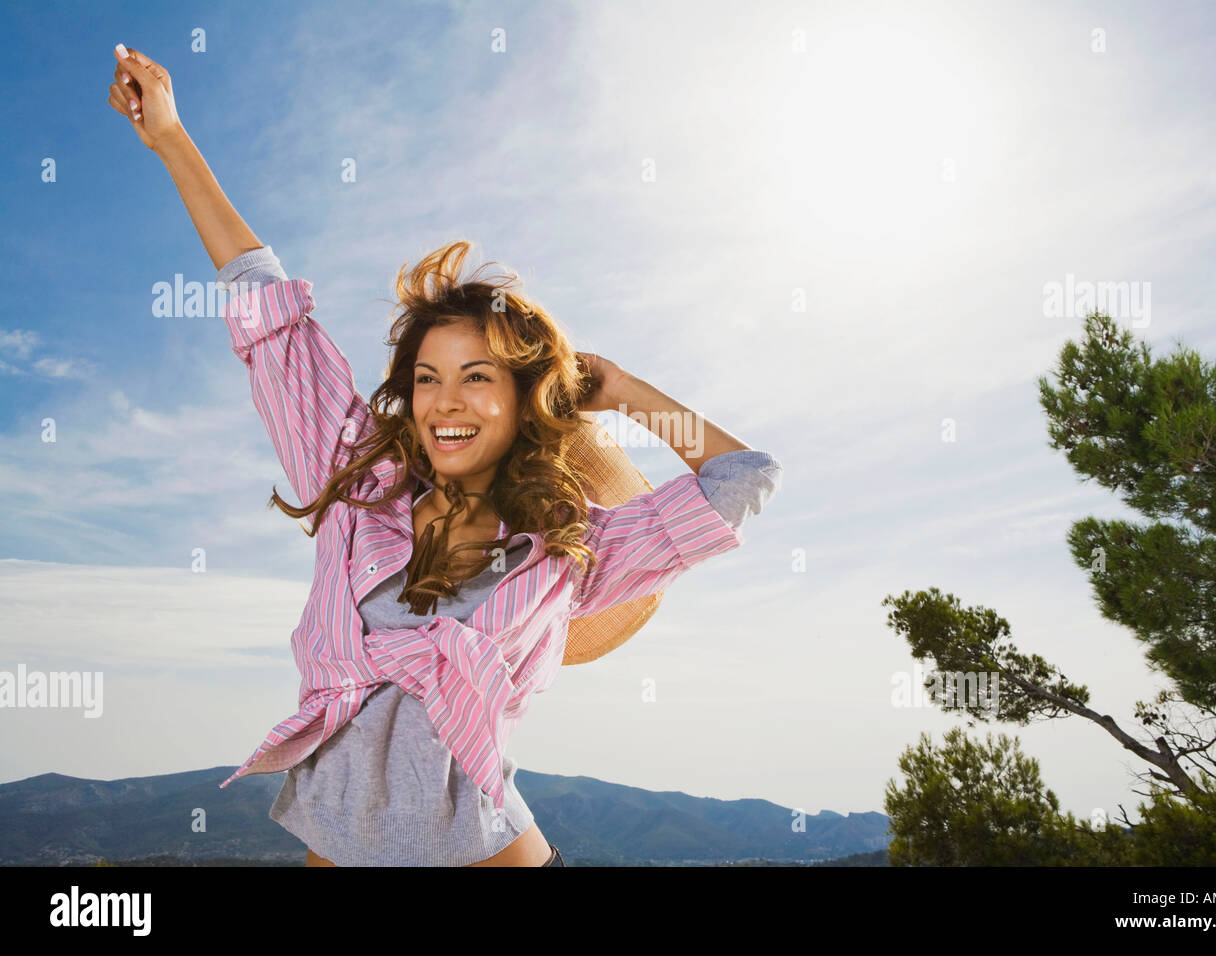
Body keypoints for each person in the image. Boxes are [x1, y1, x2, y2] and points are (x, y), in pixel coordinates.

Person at [108, 44, 783, 867]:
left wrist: (623, 388)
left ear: (521, 401)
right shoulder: (355, 480)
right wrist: (173, 139)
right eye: (427, 378)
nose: (445, 401)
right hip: (339, 838)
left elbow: (741, 481)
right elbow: (263, 298)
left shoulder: (568, 553)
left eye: (476, 377)